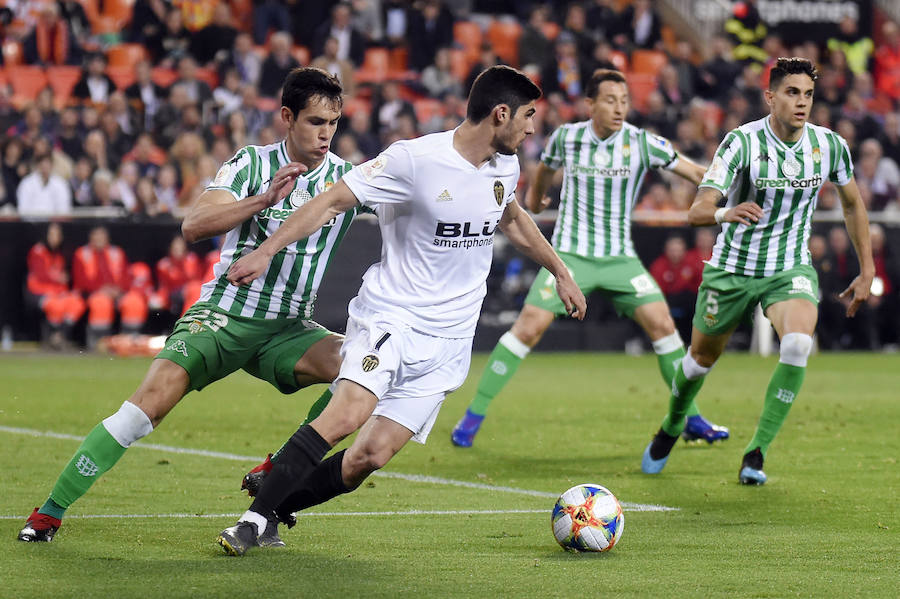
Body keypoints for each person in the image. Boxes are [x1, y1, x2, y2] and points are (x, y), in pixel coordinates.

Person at [216, 65, 587, 556]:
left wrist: (559, 270)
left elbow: (512, 217)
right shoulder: (414, 160)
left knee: (369, 455)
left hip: (451, 340)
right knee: (350, 411)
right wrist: (266, 251)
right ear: (500, 114)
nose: (532, 127)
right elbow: (331, 202)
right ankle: (252, 520)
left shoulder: (506, 166)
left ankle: (277, 505)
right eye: (528, 116)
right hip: (393, 317)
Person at [17, 68, 358, 544]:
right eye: (315, 122)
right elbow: (194, 225)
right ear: (286, 117)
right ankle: (50, 512)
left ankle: (276, 468)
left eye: (333, 123)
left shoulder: (348, 179)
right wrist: (263, 200)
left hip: (289, 327)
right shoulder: (250, 164)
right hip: (226, 313)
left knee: (361, 368)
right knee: (143, 410)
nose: (326, 134)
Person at [450, 69, 728, 449]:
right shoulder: (568, 137)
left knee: (663, 326)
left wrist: (727, 187)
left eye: (625, 101)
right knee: (528, 327)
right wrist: (535, 201)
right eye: (611, 100)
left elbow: (695, 171)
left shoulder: (643, 143)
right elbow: (544, 171)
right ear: (591, 105)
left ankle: (691, 417)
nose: (619, 108)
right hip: (571, 257)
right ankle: (473, 415)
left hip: (620, 260)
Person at [641, 58, 874, 485]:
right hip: (732, 268)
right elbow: (697, 211)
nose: (801, 102)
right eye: (791, 93)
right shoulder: (741, 143)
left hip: (788, 268)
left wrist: (867, 267)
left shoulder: (830, 146)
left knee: (799, 343)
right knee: (699, 361)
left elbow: (852, 203)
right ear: (770, 97)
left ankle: (757, 453)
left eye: (807, 94)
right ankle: (672, 425)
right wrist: (727, 211)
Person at [25, 222, 86, 349]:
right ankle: (52, 338)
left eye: (58, 235)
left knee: (77, 303)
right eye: (52, 234)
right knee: (57, 305)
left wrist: (64, 289)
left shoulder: (59, 255)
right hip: (37, 292)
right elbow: (41, 275)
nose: (55, 238)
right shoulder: (38, 251)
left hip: (56, 292)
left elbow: (63, 281)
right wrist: (58, 278)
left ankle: (59, 337)